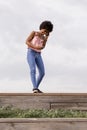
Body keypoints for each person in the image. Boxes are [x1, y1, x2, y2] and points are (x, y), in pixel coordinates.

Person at [26, 21, 53, 93]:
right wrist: (35, 46)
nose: (45, 33)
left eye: (47, 32)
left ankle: (36, 88)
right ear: (42, 28)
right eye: (45, 31)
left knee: (42, 72)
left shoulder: (44, 37)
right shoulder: (34, 33)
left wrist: (46, 38)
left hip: (38, 54)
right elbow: (27, 42)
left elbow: (43, 46)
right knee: (33, 69)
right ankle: (35, 88)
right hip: (31, 52)